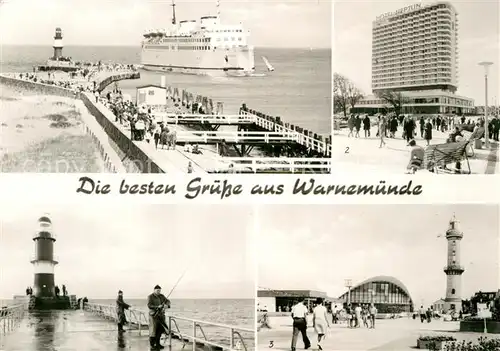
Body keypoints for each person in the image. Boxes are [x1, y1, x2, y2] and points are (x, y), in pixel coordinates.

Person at [147, 285, 171, 350]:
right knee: (153, 331)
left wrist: (167, 305)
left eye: (159, 290)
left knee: (160, 330)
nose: (158, 292)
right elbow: (149, 305)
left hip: (161, 316)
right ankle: (152, 345)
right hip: (153, 316)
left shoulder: (162, 296)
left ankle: (158, 344)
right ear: (154, 290)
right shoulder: (150, 296)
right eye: (157, 290)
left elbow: (168, 301)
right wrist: (157, 306)